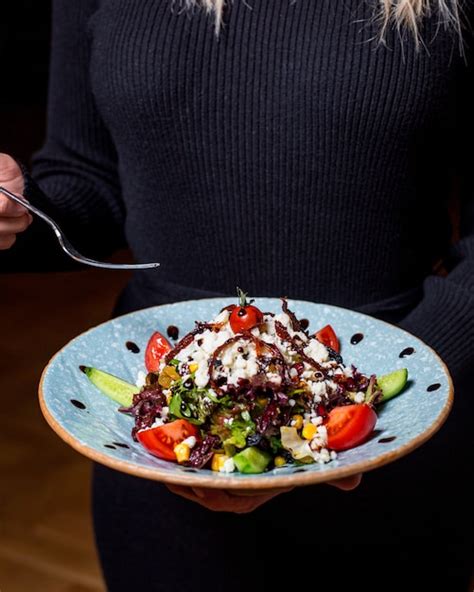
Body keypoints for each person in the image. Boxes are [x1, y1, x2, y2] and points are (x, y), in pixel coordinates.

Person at [1, 1, 473, 590]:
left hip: (393, 446)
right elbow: (87, 175)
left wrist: (401, 390)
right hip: (160, 446)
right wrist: (12, 219)